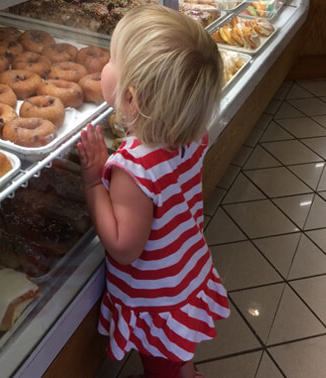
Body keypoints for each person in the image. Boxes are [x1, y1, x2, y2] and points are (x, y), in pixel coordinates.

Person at [77, 4, 230, 378]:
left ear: (131, 99)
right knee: (178, 351)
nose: (103, 65)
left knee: (162, 364)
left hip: (158, 296)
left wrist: (94, 180)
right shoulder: (192, 135)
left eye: (112, 59)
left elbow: (123, 247)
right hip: (186, 271)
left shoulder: (134, 168)